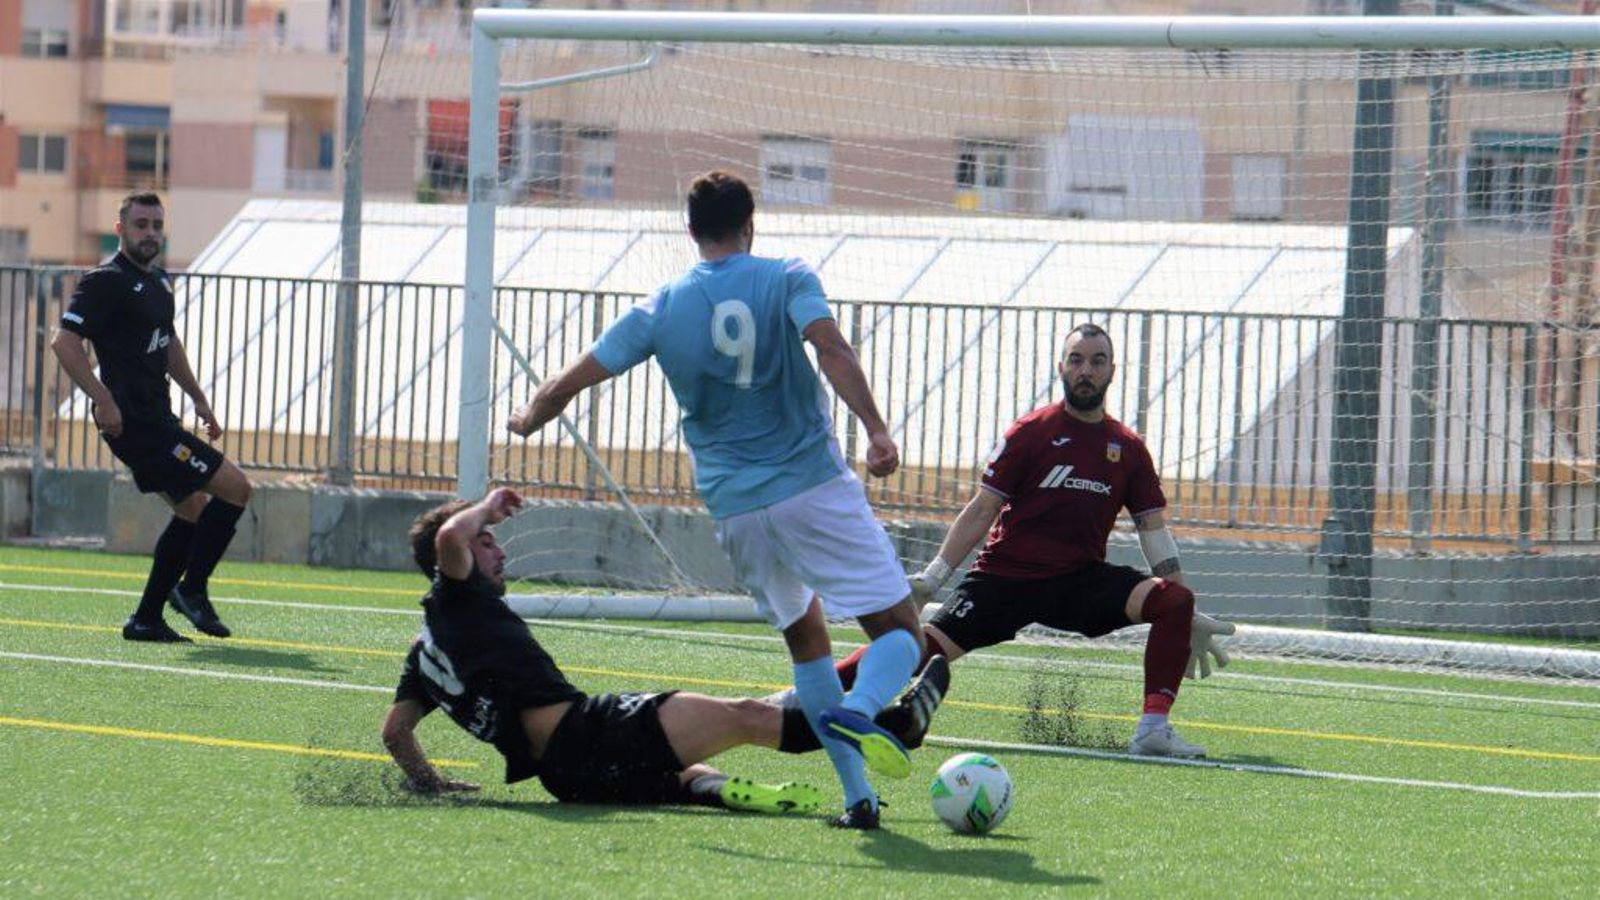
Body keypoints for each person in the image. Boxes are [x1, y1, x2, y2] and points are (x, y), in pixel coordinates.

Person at [508, 171, 933, 829]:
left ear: (690, 231)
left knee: (808, 645)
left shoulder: (662, 306)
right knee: (903, 633)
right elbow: (830, 347)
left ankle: (859, 800)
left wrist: (530, 415)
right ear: (750, 224)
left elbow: (575, 378)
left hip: (736, 509)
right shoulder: (787, 275)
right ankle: (866, 708)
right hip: (811, 487)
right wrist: (876, 429)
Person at [382, 488, 913, 814]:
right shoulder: (457, 595)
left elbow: (395, 732)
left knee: (681, 770)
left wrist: (431, 782)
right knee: (751, 718)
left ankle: (714, 788)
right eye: (488, 541)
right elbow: (451, 537)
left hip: (564, 781)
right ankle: (893, 722)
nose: (497, 548)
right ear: (450, 561)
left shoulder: (424, 651)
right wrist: (488, 506)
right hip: (592, 731)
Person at [878, 323, 1235, 758]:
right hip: (1005, 579)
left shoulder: (1128, 447)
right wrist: (932, 579)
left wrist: (1186, 608)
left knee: (1173, 601)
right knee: (909, 653)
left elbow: (1154, 532)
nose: (1087, 370)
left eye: (1097, 361)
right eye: (1077, 360)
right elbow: (981, 509)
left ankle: (1152, 731)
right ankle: (823, 696)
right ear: (1061, 367)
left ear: (1112, 371)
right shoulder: (1030, 431)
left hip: (1077, 584)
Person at [51, 191, 251, 643]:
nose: (150, 233)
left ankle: (146, 619)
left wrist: (198, 397)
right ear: (121, 229)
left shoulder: (159, 283)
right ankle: (192, 590)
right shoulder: (106, 281)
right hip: (135, 424)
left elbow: (168, 344)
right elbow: (64, 343)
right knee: (237, 488)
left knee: (193, 508)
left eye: (156, 225)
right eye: (140, 224)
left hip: (160, 418)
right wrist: (103, 399)